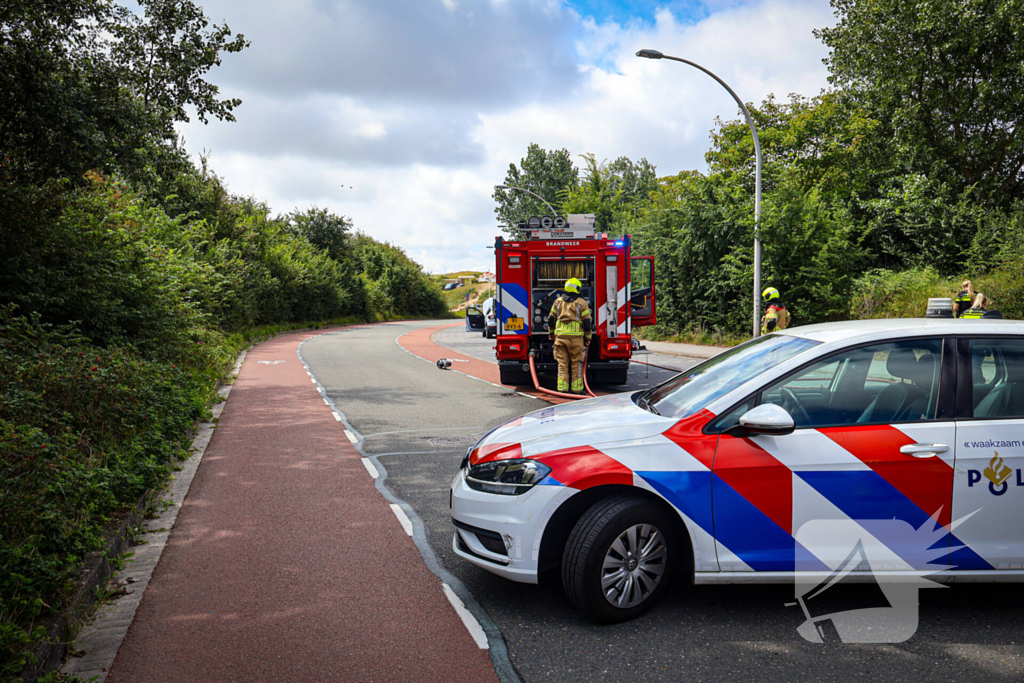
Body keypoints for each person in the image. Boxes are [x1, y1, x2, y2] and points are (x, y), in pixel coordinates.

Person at [547, 277, 592, 394]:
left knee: (562, 364)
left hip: (560, 338)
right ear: (578, 289)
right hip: (576, 339)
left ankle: (563, 388)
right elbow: (587, 323)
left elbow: (551, 320)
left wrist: (551, 333)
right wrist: (588, 338)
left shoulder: (557, 302)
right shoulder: (582, 303)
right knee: (577, 363)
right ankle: (577, 389)